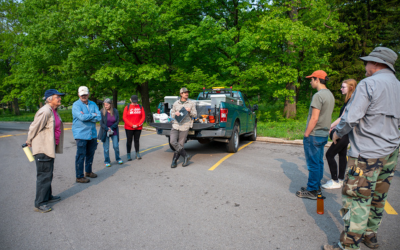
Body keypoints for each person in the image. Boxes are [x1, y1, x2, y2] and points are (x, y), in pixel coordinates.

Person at [324, 47, 400, 250]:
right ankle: (369, 235)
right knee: (378, 197)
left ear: (376, 64)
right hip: (391, 152)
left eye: (367, 62)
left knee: (356, 199)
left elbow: (351, 117)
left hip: (366, 154)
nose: (365, 66)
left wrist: (338, 132)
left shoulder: (369, 84)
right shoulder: (398, 85)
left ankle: (349, 244)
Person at [296, 70, 335, 199]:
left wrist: (306, 133)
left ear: (317, 79)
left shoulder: (318, 96)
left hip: (314, 134)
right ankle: (316, 187)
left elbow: (314, 118)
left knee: (313, 163)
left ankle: (312, 190)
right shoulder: (330, 94)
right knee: (318, 162)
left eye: (311, 79)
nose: (310, 82)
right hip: (323, 133)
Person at [26, 89, 65, 213]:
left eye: (60, 97)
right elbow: (34, 127)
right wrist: (29, 141)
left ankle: (47, 196)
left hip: (49, 147)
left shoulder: (53, 111)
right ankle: (40, 203)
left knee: (48, 173)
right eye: (57, 97)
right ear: (49, 99)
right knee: (44, 176)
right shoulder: (45, 111)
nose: (60, 98)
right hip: (43, 148)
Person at [322, 79, 357, 189]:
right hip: (346, 133)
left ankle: (335, 180)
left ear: (351, 88)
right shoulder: (349, 100)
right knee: (342, 155)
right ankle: (341, 179)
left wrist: (331, 126)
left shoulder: (352, 100)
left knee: (329, 154)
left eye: (343, 87)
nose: (341, 89)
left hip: (343, 133)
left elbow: (343, 118)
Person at [72, 86, 101, 183]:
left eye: (85, 94)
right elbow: (81, 117)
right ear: (79, 95)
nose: (84, 96)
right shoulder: (76, 105)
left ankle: (88, 172)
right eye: (82, 94)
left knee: (90, 154)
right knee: (81, 155)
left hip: (92, 134)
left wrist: (86, 116)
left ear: (88, 94)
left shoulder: (93, 104)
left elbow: (99, 117)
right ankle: (79, 176)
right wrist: (93, 115)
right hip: (81, 134)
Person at [169, 87, 197, 168]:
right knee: (172, 141)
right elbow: (172, 114)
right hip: (176, 125)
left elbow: (195, 114)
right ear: (181, 94)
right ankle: (186, 155)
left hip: (185, 126)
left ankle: (174, 160)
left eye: (187, 92)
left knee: (181, 144)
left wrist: (190, 111)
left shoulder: (191, 103)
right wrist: (175, 113)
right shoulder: (176, 103)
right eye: (185, 93)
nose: (187, 94)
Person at [98, 98, 122, 167]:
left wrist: (111, 128)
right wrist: (106, 128)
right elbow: (101, 123)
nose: (106, 106)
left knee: (116, 146)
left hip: (113, 130)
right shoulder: (102, 111)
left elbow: (117, 121)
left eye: (107, 105)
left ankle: (118, 158)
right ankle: (107, 161)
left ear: (111, 104)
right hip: (105, 131)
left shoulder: (115, 111)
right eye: (105, 105)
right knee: (106, 148)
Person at [123, 95, 145, 161]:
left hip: (138, 128)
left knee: (137, 140)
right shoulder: (127, 107)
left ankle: (137, 153)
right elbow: (124, 118)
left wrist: (138, 125)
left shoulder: (140, 107)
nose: (134, 103)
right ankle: (128, 154)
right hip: (129, 128)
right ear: (130, 100)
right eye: (133, 102)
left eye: (135, 102)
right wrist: (131, 125)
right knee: (129, 141)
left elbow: (143, 117)